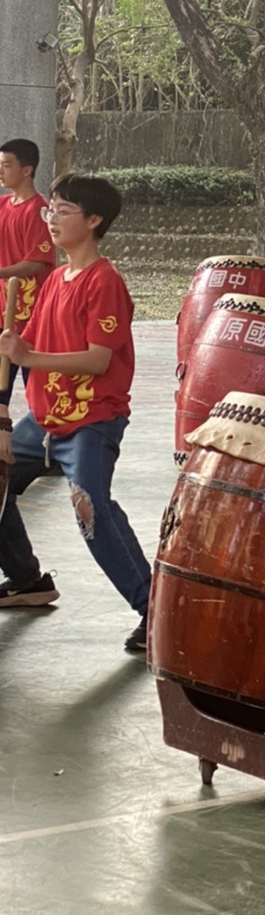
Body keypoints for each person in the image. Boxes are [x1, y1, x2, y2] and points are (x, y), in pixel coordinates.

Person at [0, 174, 150, 651]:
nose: (52, 219)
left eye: (63, 211)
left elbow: (98, 359)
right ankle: (27, 579)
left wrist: (28, 356)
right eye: (52, 210)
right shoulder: (54, 281)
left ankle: (154, 612)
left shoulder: (104, 282)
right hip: (44, 421)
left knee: (91, 506)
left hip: (91, 420)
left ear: (93, 220)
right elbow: (24, 345)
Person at [0, 139, 56, 420]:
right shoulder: (3, 205)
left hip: (31, 316)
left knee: (37, 388)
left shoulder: (38, 210)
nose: (1, 171)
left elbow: (37, 261)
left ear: (27, 170)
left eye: (6, 165)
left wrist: (2, 272)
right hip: (3, 312)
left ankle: (43, 439)